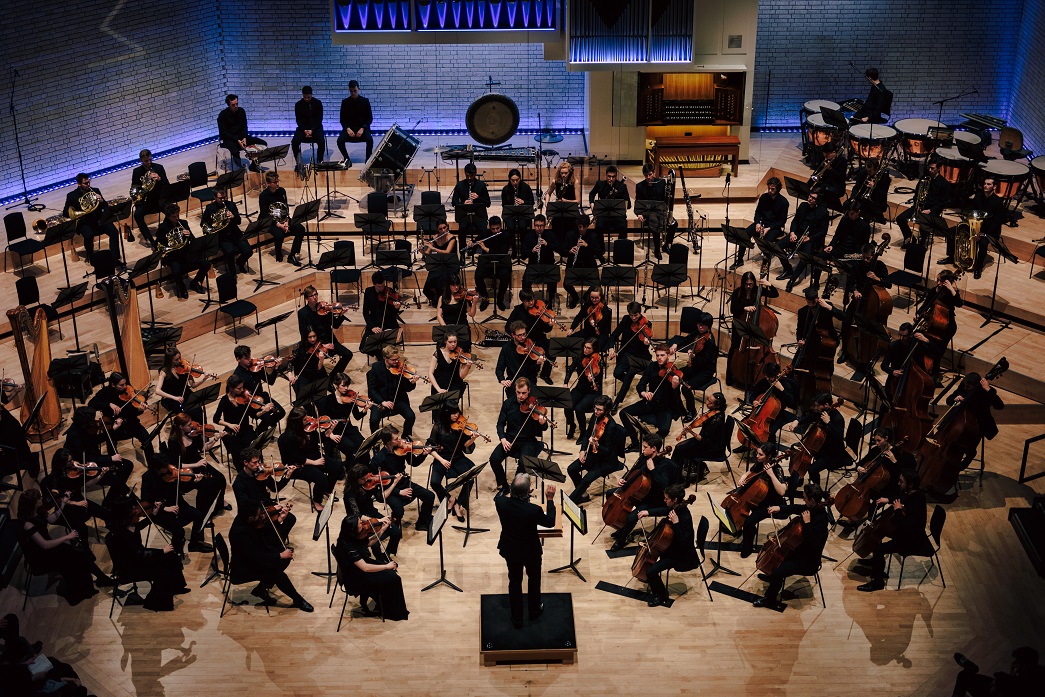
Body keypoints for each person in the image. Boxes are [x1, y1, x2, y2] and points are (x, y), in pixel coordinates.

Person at [15, 488, 112, 606]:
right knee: (75, 558)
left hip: (51, 548)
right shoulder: (27, 524)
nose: (42, 499)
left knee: (81, 553)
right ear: (32, 503)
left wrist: (63, 504)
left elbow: (52, 519)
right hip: (41, 557)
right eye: (39, 498)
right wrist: (67, 537)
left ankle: (98, 580)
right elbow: (44, 545)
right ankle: (79, 592)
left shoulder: (39, 511)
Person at [753, 481, 830, 610]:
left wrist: (807, 524)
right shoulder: (812, 507)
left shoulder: (821, 520)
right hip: (800, 550)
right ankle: (772, 577)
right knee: (778, 557)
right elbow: (797, 508)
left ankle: (769, 599)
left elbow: (813, 543)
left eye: (805, 498)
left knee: (778, 571)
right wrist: (780, 508)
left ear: (812, 500)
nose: (803, 500)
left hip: (808, 560)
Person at [104, 496, 189, 612]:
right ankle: (155, 603)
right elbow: (137, 554)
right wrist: (161, 551)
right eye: (133, 509)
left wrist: (153, 514)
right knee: (164, 572)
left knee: (171, 557)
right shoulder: (120, 534)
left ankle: (176, 587)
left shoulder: (128, 524)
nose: (138, 511)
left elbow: (139, 527)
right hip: (130, 568)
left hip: (138, 558)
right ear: (125, 514)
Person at [495, 473, 556, 627]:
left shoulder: (500, 503)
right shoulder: (533, 510)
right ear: (528, 492)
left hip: (511, 549)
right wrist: (549, 500)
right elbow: (550, 523)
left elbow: (500, 495)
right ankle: (534, 612)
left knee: (514, 581)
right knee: (534, 579)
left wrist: (520, 492)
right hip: (530, 551)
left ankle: (517, 619)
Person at [228, 504, 313, 612]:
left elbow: (263, 537)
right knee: (277, 573)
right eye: (260, 516)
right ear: (250, 518)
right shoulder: (240, 533)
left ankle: (260, 589)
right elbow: (257, 556)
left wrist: (279, 520)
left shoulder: (247, 519)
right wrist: (279, 555)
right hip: (243, 568)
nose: (263, 516)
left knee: (286, 557)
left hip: (253, 558)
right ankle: (298, 600)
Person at [856, 469, 928, 592]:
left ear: (910, 485)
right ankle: (876, 565)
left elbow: (907, 527)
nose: (898, 483)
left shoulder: (917, 502)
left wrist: (898, 510)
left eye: (901, 481)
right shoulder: (913, 494)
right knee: (878, 532)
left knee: (879, 549)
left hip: (911, 541)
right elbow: (902, 498)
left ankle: (877, 582)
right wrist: (888, 500)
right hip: (907, 533)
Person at [608, 433, 678, 552]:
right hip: (641, 492)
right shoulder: (644, 457)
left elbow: (665, 486)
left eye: (645, 447)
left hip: (656, 500)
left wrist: (653, 470)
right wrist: (624, 479)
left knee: (632, 517)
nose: (643, 449)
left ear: (654, 449)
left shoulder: (665, 466)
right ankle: (621, 527)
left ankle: (621, 540)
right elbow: (634, 470)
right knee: (610, 493)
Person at [139, 452, 218, 554]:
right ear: (157, 468)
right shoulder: (147, 478)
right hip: (159, 512)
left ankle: (194, 544)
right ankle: (175, 554)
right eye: (165, 467)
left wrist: (194, 482)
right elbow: (146, 501)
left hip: (177, 504)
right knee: (179, 531)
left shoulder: (171, 472)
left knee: (199, 516)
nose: (168, 468)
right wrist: (164, 508)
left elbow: (184, 489)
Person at [335, 513, 409, 620]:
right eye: (360, 523)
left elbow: (368, 543)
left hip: (361, 567)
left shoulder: (353, 536)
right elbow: (365, 567)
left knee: (392, 574)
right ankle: (391, 611)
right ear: (353, 528)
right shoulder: (347, 546)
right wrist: (386, 566)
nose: (363, 523)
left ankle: (383, 604)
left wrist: (382, 530)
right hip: (357, 577)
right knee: (394, 578)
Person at [637, 483, 698, 607]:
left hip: (680, 555)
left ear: (675, 500)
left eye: (666, 498)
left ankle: (661, 595)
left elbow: (685, 544)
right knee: (650, 564)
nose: (664, 500)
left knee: (651, 572)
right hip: (671, 547)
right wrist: (647, 512)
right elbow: (664, 510)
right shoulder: (676, 507)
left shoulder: (685, 517)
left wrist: (676, 523)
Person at [490, 377, 549, 495]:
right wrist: (503, 439)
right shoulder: (508, 404)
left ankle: (516, 489)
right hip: (510, 440)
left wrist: (543, 422)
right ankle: (504, 486)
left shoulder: (535, 405)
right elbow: (500, 424)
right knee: (494, 459)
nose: (521, 396)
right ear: (515, 390)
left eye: (524, 393)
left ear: (529, 391)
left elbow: (544, 428)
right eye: (518, 392)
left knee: (523, 464)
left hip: (528, 441)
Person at [836, 242, 892, 365]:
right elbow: (850, 284)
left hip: (873, 304)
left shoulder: (880, 266)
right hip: (858, 301)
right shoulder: (857, 265)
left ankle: (869, 355)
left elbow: (888, 283)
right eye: (863, 257)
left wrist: (877, 279)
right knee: (846, 322)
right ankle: (845, 351)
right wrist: (854, 291)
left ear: (873, 255)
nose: (866, 260)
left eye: (868, 258)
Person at [369, 425, 435, 530]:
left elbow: (414, 463)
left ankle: (421, 523)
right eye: (396, 439)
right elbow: (380, 485)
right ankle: (394, 529)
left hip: (403, 482)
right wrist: (399, 492)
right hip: (390, 489)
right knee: (399, 511)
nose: (400, 440)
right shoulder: (379, 460)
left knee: (429, 496)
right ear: (388, 441)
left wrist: (423, 454)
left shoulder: (401, 449)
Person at [277, 407, 342, 512]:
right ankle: (317, 501)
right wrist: (315, 463)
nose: (308, 421)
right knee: (322, 479)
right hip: (298, 465)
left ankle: (326, 490)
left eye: (306, 418)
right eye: (304, 420)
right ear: (296, 422)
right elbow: (295, 457)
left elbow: (319, 438)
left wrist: (330, 430)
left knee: (337, 467)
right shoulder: (289, 437)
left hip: (313, 457)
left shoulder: (307, 429)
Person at [621, 344, 682, 448]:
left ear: (668, 355)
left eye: (662, 355)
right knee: (624, 413)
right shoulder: (652, 366)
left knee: (664, 430)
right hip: (651, 402)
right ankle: (635, 442)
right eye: (657, 355)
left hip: (665, 407)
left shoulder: (673, 371)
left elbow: (675, 398)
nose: (659, 358)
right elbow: (642, 383)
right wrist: (644, 392)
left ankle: (650, 445)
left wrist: (675, 387)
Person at [567, 395, 626, 504]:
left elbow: (608, 451)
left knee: (586, 479)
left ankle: (570, 501)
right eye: (595, 408)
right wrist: (583, 450)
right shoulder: (595, 418)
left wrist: (597, 445)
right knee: (571, 469)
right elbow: (587, 435)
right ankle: (582, 494)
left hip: (607, 460)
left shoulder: (611, 426)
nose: (595, 411)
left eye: (599, 410)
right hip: (593, 454)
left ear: (607, 411)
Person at [165, 412, 228, 511]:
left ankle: (220, 501)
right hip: (186, 470)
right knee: (205, 486)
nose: (192, 426)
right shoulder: (174, 441)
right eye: (189, 425)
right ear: (181, 427)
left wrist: (216, 438)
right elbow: (176, 464)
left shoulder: (193, 434)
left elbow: (204, 447)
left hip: (198, 462)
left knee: (220, 478)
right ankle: (202, 512)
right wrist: (196, 464)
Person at [426, 403, 478, 522]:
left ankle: (458, 504)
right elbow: (430, 446)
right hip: (442, 458)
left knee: (470, 478)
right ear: (446, 413)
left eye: (457, 412)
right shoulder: (438, 426)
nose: (456, 416)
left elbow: (465, 447)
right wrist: (441, 460)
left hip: (458, 458)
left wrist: (473, 439)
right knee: (434, 482)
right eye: (453, 413)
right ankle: (449, 499)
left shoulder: (461, 426)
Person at [736, 443, 790, 557]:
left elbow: (782, 491)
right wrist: (742, 478)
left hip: (771, 504)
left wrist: (771, 474)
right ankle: (742, 530)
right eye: (757, 453)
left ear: (769, 456)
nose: (757, 456)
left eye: (761, 454)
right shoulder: (760, 463)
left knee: (749, 522)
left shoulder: (777, 469)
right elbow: (748, 473)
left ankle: (748, 548)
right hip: (758, 498)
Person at [727, 272, 779, 386]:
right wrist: (744, 308)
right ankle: (730, 375)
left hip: (754, 325)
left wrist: (769, 284)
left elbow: (775, 294)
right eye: (747, 284)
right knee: (735, 348)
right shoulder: (738, 292)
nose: (749, 286)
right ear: (743, 283)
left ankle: (750, 378)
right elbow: (733, 309)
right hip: (740, 325)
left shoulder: (757, 290)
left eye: (751, 284)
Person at [786, 392, 846, 489]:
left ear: (826, 405)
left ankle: (817, 491)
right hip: (820, 447)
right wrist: (797, 421)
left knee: (812, 469)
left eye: (818, 406)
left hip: (832, 453)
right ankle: (798, 478)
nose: (816, 407)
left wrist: (828, 423)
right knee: (794, 449)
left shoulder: (838, 419)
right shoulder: (823, 412)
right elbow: (811, 417)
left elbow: (838, 438)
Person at [232, 448, 296, 541]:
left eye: (258, 461)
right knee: (267, 525)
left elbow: (275, 488)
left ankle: (278, 542)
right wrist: (271, 509)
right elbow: (245, 503)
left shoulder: (261, 473)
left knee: (290, 519)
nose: (257, 465)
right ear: (245, 462)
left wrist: (287, 476)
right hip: (254, 511)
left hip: (266, 504)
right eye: (254, 462)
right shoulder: (239, 483)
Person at [944, 371, 1004, 466]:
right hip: (959, 418)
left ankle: (970, 453)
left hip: (978, 422)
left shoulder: (985, 391)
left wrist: (987, 389)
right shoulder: (964, 386)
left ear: (976, 386)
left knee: (968, 437)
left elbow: (1000, 406)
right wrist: (955, 399)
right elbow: (949, 400)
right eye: (965, 386)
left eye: (968, 387)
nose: (965, 388)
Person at [62, 406, 132, 487]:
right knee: (117, 480)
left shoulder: (83, 427)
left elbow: (95, 439)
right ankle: (114, 496)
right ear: (85, 423)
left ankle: (118, 492)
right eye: (92, 421)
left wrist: (112, 429)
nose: (95, 422)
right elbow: (87, 458)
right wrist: (111, 458)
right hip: (88, 466)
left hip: (95, 457)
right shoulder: (75, 437)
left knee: (127, 466)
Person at [88, 371, 154, 458]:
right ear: (113, 385)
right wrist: (109, 404)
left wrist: (139, 409)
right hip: (113, 425)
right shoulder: (105, 392)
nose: (125, 387)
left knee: (147, 440)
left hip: (131, 422)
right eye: (121, 385)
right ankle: (116, 467)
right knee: (111, 445)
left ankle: (153, 466)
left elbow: (132, 411)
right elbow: (91, 404)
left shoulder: (127, 391)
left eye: (125, 383)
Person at [317, 372, 372, 472]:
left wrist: (365, 409)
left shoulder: (351, 398)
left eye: (347, 385)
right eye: (343, 385)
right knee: (351, 449)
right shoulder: (326, 401)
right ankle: (350, 471)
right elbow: (323, 422)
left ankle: (364, 470)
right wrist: (331, 434)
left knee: (363, 445)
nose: (346, 388)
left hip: (348, 428)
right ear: (335, 385)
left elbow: (357, 416)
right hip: (335, 430)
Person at [344, 464, 402, 558]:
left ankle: (386, 555)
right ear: (355, 479)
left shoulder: (368, 485)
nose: (366, 480)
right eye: (363, 479)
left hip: (373, 514)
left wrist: (394, 483)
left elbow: (381, 497)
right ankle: (379, 561)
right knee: (375, 544)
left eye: (366, 477)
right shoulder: (350, 493)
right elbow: (357, 514)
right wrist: (379, 520)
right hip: (360, 521)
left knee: (396, 532)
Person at [64, 173, 121, 267]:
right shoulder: (72, 196)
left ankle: (115, 258)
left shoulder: (95, 191)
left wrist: (102, 201)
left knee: (114, 231)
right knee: (89, 235)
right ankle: (91, 257)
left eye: (89, 182)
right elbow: (65, 212)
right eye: (85, 183)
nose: (88, 185)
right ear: (79, 184)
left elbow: (105, 206)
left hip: (98, 220)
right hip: (84, 222)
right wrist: (78, 213)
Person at [960, 176, 1011, 279]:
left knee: (982, 244)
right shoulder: (978, 196)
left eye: (989, 184)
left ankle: (978, 268)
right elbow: (971, 210)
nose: (986, 186)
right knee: (955, 231)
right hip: (977, 228)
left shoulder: (997, 201)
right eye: (985, 184)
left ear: (994, 187)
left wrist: (982, 233)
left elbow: (997, 221)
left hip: (990, 231)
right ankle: (952, 258)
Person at [607, 302, 654, 413]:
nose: (633, 318)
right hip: (627, 354)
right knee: (617, 373)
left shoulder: (647, 323)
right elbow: (614, 335)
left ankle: (617, 402)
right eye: (631, 315)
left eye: (636, 315)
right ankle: (628, 383)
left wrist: (647, 342)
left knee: (629, 375)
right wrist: (611, 348)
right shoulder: (625, 320)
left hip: (640, 357)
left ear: (640, 313)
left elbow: (647, 340)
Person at [779, 191, 830, 292]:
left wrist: (810, 238)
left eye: (813, 198)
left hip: (810, 239)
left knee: (805, 258)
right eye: (810, 196)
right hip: (797, 234)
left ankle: (792, 280)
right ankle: (788, 269)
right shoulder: (803, 205)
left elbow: (823, 231)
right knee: (778, 246)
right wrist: (792, 232)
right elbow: (795, 221)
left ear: (817, 201)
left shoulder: (823, 212)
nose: (810, 199)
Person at [297, 284, 353, 375]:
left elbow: (335, 325)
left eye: (316, 294)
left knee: (348, 354)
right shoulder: (303, 313)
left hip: (331, 341)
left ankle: (332, 376)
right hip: (315, 344)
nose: (315, 297)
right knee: (316, 361)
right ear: (307, 298)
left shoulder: (324, 309)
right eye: (312, 296)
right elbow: (303, 333)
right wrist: (322, 345)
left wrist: (341, 314)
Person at [733, 177, 788, 269]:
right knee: (745, 234)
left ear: (778, 189)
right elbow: (758, 212)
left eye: (772, 189)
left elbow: (782, 221)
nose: (770, 191)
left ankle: (765, 266)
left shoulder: (783, 202)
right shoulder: (764, 197)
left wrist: (768, 228)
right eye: (769, 188)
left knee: (767, 243)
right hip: (762, 224)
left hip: (774, 227)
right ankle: (739, 260)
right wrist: (757, 223)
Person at [157, 204, 209, 298]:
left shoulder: (183, 223)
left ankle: (195, 282)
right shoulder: (163, 228)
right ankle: (181, 287)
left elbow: (193, 240)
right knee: (177, 271)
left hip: (186, 252)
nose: (177, 218)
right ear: (168, 217)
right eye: (173, 217)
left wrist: (189, 235)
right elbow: (158, 244)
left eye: (177, 215)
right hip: (173, 256)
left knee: (206, 264)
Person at [673, 393, 728, 480]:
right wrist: (693, 426)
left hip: (711, 448)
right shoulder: (715, 412)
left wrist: (691, 431)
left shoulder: (716, 420)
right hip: (706, 441)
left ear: (717, 405)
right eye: (707, 400)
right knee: (680, 447)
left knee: (680, 449)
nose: (707, 403)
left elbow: (705, 440)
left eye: (710, 402)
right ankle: (677, 472)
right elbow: (705, 423)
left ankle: (677, 477)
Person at [231, 344, 286, 431]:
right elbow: (238, 396)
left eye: (249, 357)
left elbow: (270, 381)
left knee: (281, 412)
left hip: (262, 396)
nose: (250, 360)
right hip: (251, 403)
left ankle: (266, 430)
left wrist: (275, 368)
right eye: (246, 358)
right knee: (268, 419)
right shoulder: (237, 376)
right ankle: (258, 433)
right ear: (238, 359)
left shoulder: (257, 367)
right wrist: (262, 408)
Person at [504, 290, 555, 384]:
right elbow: (507, 327)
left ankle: (545, 374)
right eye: (528, 301)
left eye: (532, 299)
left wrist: (550, 325)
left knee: (552, 350)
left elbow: (546, 330)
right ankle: (531, 373)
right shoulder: (518, 310)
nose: (531, 302)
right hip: (524, 340)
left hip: (538, 337)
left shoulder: (539, 307)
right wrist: (517, 335)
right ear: (523, 301)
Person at [896, 160, 951, 246]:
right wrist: (916, 204)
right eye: (929, 167)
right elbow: (917, 193)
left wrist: (930, 210)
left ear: (939, 169)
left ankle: (921, 244)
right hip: (919, 207)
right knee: (900, 219)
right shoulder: (924, 178)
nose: (929, 170)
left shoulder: (944, 184)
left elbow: (943, 202)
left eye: (932, 168)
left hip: (932, 210)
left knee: (925, 225)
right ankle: (911, 238)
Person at [951, 646, 1045, 697]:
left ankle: (970, 668)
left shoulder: (1017, 685)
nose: (1013, 665)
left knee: (963, 677)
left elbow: (1010, 687)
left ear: (1024, 665)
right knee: (965, 677)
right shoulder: (1038, 673)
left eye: (1016, 663)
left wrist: (999, 685)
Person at [367, 346, 418, 437]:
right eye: (393, 360)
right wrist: (382, 402)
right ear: (385, 358)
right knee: (374, 420)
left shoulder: (400, 368)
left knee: (411, 416)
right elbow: (372, 390)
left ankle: (405, 437)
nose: (397, 361)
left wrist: (412, 382)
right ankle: (374, 440)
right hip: (381, 401)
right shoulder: (376, 369)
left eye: (397, 358)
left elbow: (408, 388)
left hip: (398, 400)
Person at [675, 313, 717, 421]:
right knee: (674, 376)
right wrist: (676, 345)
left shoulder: (710, 342)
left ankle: (692, 412)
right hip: (694, 366)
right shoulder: (698, 333)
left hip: (705, 372)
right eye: (699, 324)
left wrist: (693, 356)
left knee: (685, 387)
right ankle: (677, 407)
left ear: (708, 326)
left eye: (703, 325)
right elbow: (687, 339)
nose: (700, 327)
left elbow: (705, 362)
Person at [258, 172, 305, 265]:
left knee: (300, 229)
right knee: (279, 235)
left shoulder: (282, 191)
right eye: (274, 182)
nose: (277, 184)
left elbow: (285, 208)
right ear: (268, 184)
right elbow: (264, 214)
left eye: (277, 181)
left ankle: (292, 255)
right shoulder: (263, 196)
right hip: (269, 221)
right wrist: (279, 225)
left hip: (282, 218)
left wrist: (287, 221)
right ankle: (278, 252)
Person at [212, 374, 257, 471]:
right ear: (231, 389)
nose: (242, 390)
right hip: (231, 433)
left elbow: (253, 414)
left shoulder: (244, 398)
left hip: (245, 429)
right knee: (239, 454)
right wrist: (229, 424)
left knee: (254, 448)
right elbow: (215, 418)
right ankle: (243, 472)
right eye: (239, 388)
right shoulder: (224, 400)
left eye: (242, 387)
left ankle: (255, 468)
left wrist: (263, 410)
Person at [155, 346, 209, 422]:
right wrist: (175, 398)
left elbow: (193, 385)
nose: (180, 361)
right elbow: (158, 391)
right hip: (172, 398)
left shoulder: (185, 367)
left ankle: (201, 429)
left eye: (180, 357)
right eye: (176, 360)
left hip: (186, 394)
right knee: (187, 413)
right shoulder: (164, 372)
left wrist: (204, 379)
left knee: (198, 408)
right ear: (170, 360)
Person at [204, 187, 250, 275]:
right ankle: (232, 273)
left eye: (224, 197)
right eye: (220, 198)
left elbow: (239, 221)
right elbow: (204, 222)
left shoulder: (231, 205)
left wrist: (233, 217)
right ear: (215, 198)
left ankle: (240, 263)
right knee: (230, 252)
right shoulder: (210, 208)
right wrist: (210, 229)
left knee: (248, 251)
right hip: (222, 237)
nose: (223, 200)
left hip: (235, 234)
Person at [563, 338, 602, 440]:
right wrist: (565, 382)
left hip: (592, 392)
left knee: (579, 408)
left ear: (594, 349)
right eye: (584, 347)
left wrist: (593, 379)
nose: (585, 350)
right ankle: (572, 425)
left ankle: (583, 432)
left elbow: (598, 381)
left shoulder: (597, 360)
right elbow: (570, 369)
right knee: (567, 406)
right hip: (580, 388)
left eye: (588, 348)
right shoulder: (579, 357)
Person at [562, 216, 605, 309]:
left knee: (596, 283)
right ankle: (575, 296)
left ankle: (586, 296)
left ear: (587, 226)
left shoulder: (593, 236)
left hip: (589, 265)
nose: (581, 229)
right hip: (574, 265)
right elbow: (562, 250)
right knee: (566, 284)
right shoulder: (570, 235)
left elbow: (599, 253)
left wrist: (587, 246)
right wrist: (569, 250)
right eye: (579, 227)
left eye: (583, 227)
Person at [129, 149, 168, 248]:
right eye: (146, 161)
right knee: (137, 215)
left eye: (150, 159)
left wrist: (159, 179)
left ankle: (165, 231)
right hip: (145, 201)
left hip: (158, 199)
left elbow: (167, 184)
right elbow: (134, 188)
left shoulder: (159, 168)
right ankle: (150, 239)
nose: (149, 162)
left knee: (170, 210)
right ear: (141, 160)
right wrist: (144, 186)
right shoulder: (137, 172)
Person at [217, 94, 267, 171]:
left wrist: (244, 137)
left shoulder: (241, 111)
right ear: (228, 105)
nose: (236, 106)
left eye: (237, 104)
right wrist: (237, 140)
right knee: (235, 151)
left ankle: (254, 165)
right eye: (233, 105)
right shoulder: (222, 115)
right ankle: (240, 169)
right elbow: (224, 133)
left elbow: (244, 126)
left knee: (263, 144)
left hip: (242, 137)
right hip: (229, 139)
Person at [473, 215, 513, 311]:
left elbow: (502, 253)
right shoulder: (485, 233)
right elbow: (475, 243)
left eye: (497, 228)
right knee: (478, 275)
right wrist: (471, 244)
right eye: (493, 229)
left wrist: (486, 249)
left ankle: (500, 299)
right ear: (489, 227)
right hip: (487, 263)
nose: (495, 231)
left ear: (501, 226)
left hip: (501, 263)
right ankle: (485, 298)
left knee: (505, 276)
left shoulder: (506, 235)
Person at [451, 163, 491, 257]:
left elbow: (488, 203)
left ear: (475, 173)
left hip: (478, 215)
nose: (469, 178)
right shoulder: (460, 185)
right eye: (467, 175)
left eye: (471, 175)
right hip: (465, 215)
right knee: (462, 229)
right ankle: (462, 253)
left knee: (483, 230)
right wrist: (463, 204)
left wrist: (478, 198)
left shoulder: (481, 185)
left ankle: (478, 250)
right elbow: (454, 202)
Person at [588, 165, 631, 251]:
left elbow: (629, 204)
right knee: (599, 226)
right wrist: (592, 204)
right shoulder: (600, 184)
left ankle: (620, 250)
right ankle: (600, 250)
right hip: (604, 215)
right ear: (606, 175)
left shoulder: (622, 186)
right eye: (609, 176)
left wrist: (623, 204)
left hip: (617, 215)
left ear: (616, 176)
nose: (611, 179)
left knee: (623, 227)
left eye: (613, 177)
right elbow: (591, 194)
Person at [360, 271, 403, 354]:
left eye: (383, 285)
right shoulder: (368, 292)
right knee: (363, 348)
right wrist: (372, 327)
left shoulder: (390, 292)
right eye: (379, 286)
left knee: (385, 346)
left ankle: (382, 359)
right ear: (374, 284)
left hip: (388, 323)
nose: (381, 288)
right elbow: (365, 312)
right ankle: (379, 355)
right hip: (374, 323)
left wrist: (396, 308)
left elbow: (392, 315)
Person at [496, 320, 545, 391]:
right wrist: (502, 380)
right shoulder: (506, 348)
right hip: (514, 381)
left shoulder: (529, 346)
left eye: (524, 334)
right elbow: (499, 368)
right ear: (513, 335)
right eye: (519, 335)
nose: (523, 337)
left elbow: (534, 372)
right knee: (512, 400)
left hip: (529, 380)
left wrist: (538, 363)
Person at [520, 214, 559, 301]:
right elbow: (523, 255)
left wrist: (547, 244)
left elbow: (559, 249)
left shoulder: (551, 235)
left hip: (548, 265)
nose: (539, 228)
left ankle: (549, 302)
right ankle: (529, 300)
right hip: (533, 265)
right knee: (525, 282)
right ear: (534, 225)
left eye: (541, 226)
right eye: (537, 225)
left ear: (545, 226)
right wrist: (532, 251)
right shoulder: (529, 236)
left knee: (553, 281)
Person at [421, 222, 459, 307]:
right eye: (440, 229)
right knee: (431, 278)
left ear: (447, 227)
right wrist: (422, 251)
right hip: (439, 264)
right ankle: (435, 297)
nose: (443, 230)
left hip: (450, 264)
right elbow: (428, 253)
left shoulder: (452, 238)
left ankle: (444, 297)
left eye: (445, 228)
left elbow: (447, 252)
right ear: (437, 229)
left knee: (442, 277)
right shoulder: (435, 238)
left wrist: (433, 248)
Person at [634, 164, 668, 259]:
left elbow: (665, 199)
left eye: (650, 174)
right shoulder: (640, 186)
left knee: (674, 224)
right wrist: (639, 213)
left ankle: (666, 245)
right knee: (655, 222)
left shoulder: (661, 183)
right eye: (646, 175)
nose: (648, 177)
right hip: (647, 213)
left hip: (660, 211)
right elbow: (638, 202)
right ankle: (657, 250)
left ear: (654, 172)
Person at [291, 86, 326, 177]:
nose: (306, 99)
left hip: (316, 127)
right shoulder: (298, 105)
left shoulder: (318, 103)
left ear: (311, 95)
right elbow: (298, 120)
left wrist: (312, 130)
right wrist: (304, 130)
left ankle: (319, 161)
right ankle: (299, 163)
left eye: (308, 97)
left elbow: (319, 119)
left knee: (321, 141)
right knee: (295, 142)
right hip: (303, 128)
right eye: (305, 97)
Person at [336, 80, 373, 164]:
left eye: (355, 91)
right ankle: (347, 159)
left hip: (362, 128)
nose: (353, 93)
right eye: (351, 91)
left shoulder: (365, 101)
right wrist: (348, 129)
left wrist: (363, 128)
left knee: (370, 140)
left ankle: (368, 160)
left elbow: (369, 118)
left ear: (358, 89)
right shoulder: (345, 102)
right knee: (339, 141)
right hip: (350, 128)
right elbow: (342, 119)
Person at [289, 328, 329, 401]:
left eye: (314, 336)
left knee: (321, 397)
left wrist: (321, 360)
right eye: (310, 337)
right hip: (304, 374)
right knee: (303, 396)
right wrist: (290, 375)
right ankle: (310, 411)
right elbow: (291, 361)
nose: (313, 339)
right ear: (305, 337)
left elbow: (319, 369)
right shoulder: (299, 346)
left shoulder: (319, 346)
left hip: (316, 373)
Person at [429, 332, 472, 397]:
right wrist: (438, 389)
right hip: (440, 383)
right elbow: (430, 373)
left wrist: (467, 366)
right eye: (450, 342)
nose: (453, 344)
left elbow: (461, 376)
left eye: (455, 342)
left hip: (455, 384)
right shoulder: (438, 353)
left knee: (450, 404)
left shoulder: (459, 353)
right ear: (445, 341)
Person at [435, 276, 476, 344]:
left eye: (457, 285)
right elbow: (439, 315)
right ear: (449, 285)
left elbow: (471, 314)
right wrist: (445, 328)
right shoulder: (442, 298)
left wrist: (474, 303)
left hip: (461, 328)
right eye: (453, 285)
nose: (456, 287)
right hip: (447, 327)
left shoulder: (463, 297)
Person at [546, 161, 579, 241]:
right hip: (559, 209)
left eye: (566, 173)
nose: (563, 175)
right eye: (562, 173)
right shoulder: (556, 181)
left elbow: (578, 201)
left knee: (571, 227)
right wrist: (548, 205)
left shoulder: (575, 182)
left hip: (570, 210)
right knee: (557, 223)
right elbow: (548, 193)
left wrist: (566, 201)